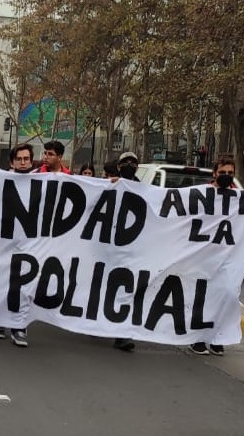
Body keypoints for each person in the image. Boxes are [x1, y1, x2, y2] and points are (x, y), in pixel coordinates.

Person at [189, 157, 240, 357]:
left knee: (226, 295)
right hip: (204, 256)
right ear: (214, 173)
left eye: (230, 173)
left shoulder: (238, 197)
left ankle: (217, 338)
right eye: (223, 172)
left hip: (227, 256)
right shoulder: (203, 194)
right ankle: (198, 339)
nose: (227, 176)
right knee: (202, 298)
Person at [0, 143, 33, 346]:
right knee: (1, 281)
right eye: (19, 159)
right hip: (3, 241)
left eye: (27, 159)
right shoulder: (1, 180)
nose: (23, 162)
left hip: (30, 243)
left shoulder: (43, 182)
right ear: (13, 161)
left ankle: (19, 326)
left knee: (24, 284)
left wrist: (112, 184)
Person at [111, 151, 139, 352]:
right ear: (118, 167)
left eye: (133, 163)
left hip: (133, 250)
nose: (129, 165)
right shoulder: (110, 185)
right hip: (108, 249)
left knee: (126, 291)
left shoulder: (146, 189)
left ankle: (123, 334)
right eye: (125, 163)